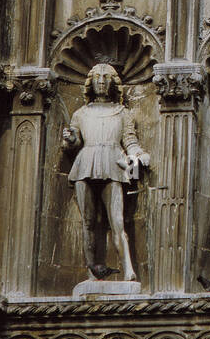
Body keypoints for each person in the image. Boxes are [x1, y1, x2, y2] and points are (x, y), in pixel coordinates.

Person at [62, 63, 150, 281]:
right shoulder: (80, 114)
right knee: (88, 222)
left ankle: (128, 268)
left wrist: (139, 155)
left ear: (113, 83)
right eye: (97, 77)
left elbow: (130, 141)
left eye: (106, 77)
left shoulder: (123, 113)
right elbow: (74, 144)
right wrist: (70, 140)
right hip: (86, 163)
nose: (101, 81)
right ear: (91, 82)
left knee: (117, 221)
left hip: (112, 161)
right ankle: (91, 272)